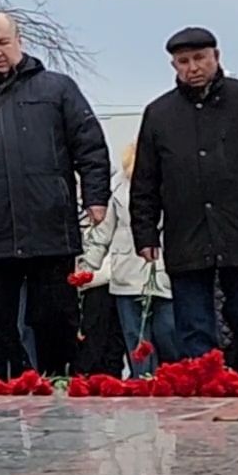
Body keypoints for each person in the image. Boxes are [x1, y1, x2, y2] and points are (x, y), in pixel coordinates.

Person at [0, 13, 111, 377]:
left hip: (49, 227)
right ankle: (0, 390)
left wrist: (96, 196)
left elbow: (90, 145)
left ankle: (56, 381)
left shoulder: (58, 89)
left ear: (19, 40)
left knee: (55, 317)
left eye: (3, 42)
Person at [129, 27, 238, 377]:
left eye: (200, 58)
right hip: (187, 234)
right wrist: (146, 233)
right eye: (183, 61)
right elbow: (145, 180)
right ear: (173, 66)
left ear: (217, 56)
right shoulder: (159, 113)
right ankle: (206, 389)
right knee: (194, 327)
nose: (193, 67)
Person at [80, 142, 177, 377]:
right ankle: (142, 382)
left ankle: (173, 379)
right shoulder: (118, 190)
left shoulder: (175, 186)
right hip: (126, 275)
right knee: (136, 339)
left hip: (166, 272)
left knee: (168, 333)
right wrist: (86, 269)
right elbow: (103, 233)